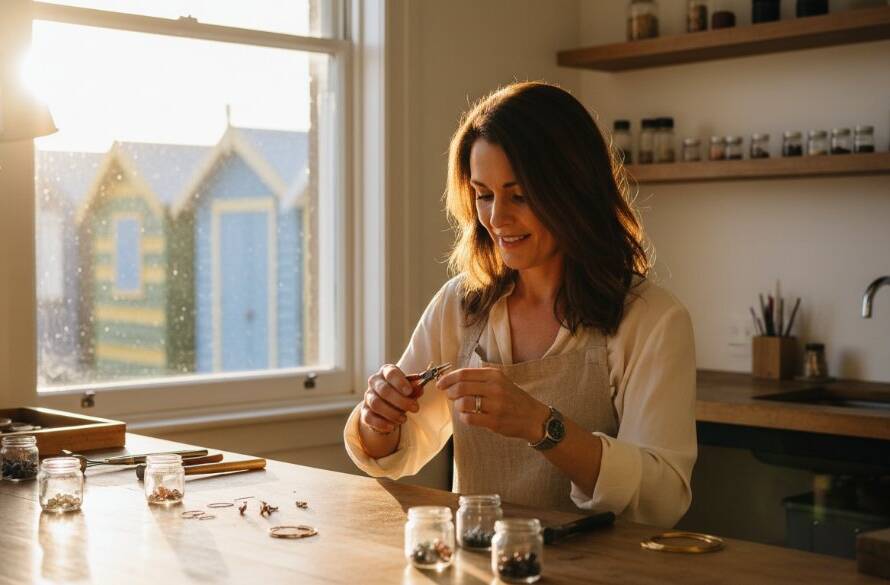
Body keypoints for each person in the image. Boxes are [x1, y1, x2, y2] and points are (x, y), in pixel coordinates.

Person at [343, 82, 696, 528]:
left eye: (520, 195)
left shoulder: (653, 319)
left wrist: (541, 425)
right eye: (484, 194)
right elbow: (395, 453)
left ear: (574, 191)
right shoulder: (460, 304)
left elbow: (663, 499)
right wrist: (381, 419)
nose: (496, 218)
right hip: (477, 568)